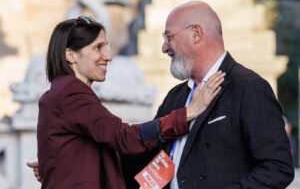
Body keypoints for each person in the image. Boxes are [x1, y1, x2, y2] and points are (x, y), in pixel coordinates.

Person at [28, 16, 224, 189]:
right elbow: (124, 137)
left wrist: (57, 163)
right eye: (98, 47)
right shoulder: (71, 93)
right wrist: (189, 112)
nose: (108, 56)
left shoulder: (60, 92)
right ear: (70, 55)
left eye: (106, 46)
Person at [121, 0, 295, 189]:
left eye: (169, 37)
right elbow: (154, 163)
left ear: (196, 34)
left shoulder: (248, 87)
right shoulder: (175, 97)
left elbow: (278, 167)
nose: (164, 48)